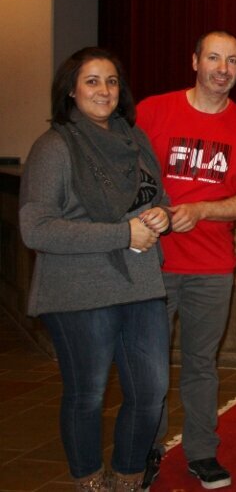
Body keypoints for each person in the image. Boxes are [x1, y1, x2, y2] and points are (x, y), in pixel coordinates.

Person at [20, 47, 171, 491]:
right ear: (71, 89)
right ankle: (89, 481)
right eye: (91, 81)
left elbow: (155, 196)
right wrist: (122, 234)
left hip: (141, 285)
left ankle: (127, 477)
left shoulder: (134, 139)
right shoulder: (54, 147)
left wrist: (161, 214)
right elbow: (36, 229)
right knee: (87, 395)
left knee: (150, 392)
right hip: (79, 292)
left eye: (111, 81)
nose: (104, 90)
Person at [136, 31, 236, 490]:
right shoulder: (152, 111)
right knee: (148, 368)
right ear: (194, 61)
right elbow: (124, 176)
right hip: (151, 265)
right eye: (214, 57)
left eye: (232, 60)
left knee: (201, 365)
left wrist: (203, 210)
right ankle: (144, 451)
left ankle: (201, 452)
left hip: (211, 269)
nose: (222, 69)